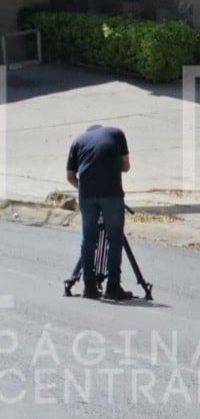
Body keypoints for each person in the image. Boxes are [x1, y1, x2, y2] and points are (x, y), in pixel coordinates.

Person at [67, 124, 132, 301]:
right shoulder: (117, 133)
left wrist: (84, 188)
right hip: (111, 194)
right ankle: (112, 287)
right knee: (114, 238)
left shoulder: (77, 141)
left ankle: (89, 286)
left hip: (86, 195)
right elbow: (126, 166)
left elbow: (70, 176)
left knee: (88, 238)